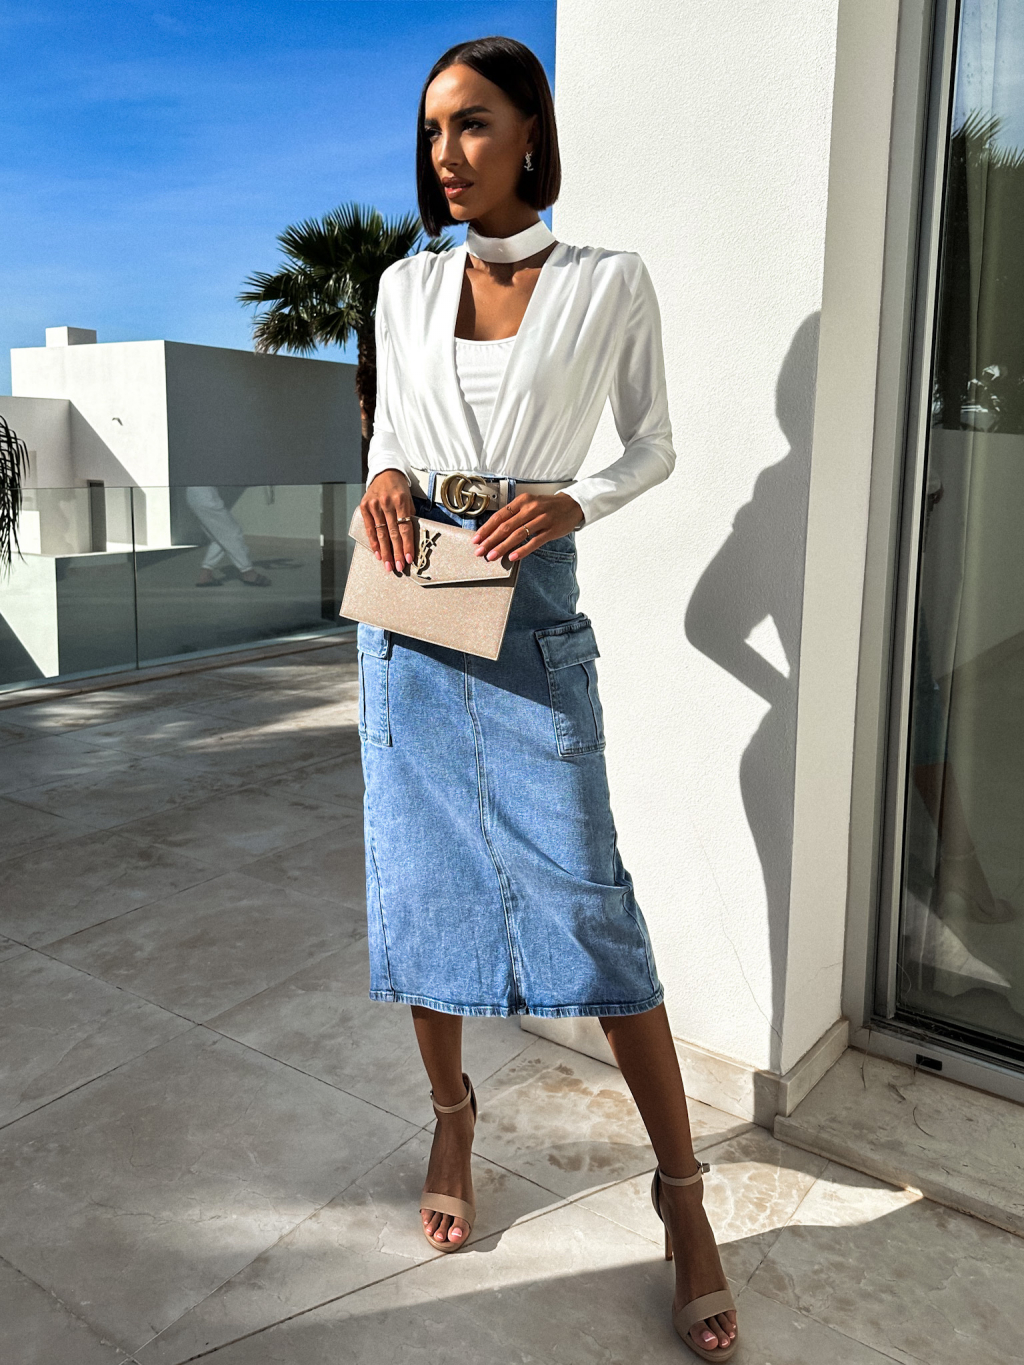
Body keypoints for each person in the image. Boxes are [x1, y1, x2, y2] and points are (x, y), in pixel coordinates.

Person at [356, 36, 738, 1360]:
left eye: (471, 124)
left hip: (530, 601)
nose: (445, 154)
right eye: (432, 132)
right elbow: (391, 433)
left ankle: (681, 1194)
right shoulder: (404, 285)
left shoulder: (605, 282)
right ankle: (452, 1117)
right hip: (412, 600)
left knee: (591, 899)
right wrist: (382, 475)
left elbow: (653, 444)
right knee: (423, 882)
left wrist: (574, 499)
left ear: (530, 130)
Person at [184, 485, 271, 587]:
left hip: (195, 494)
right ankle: (247, 572)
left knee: (219, 537)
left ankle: (205, 575)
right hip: (205, 495)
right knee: (233, 533)